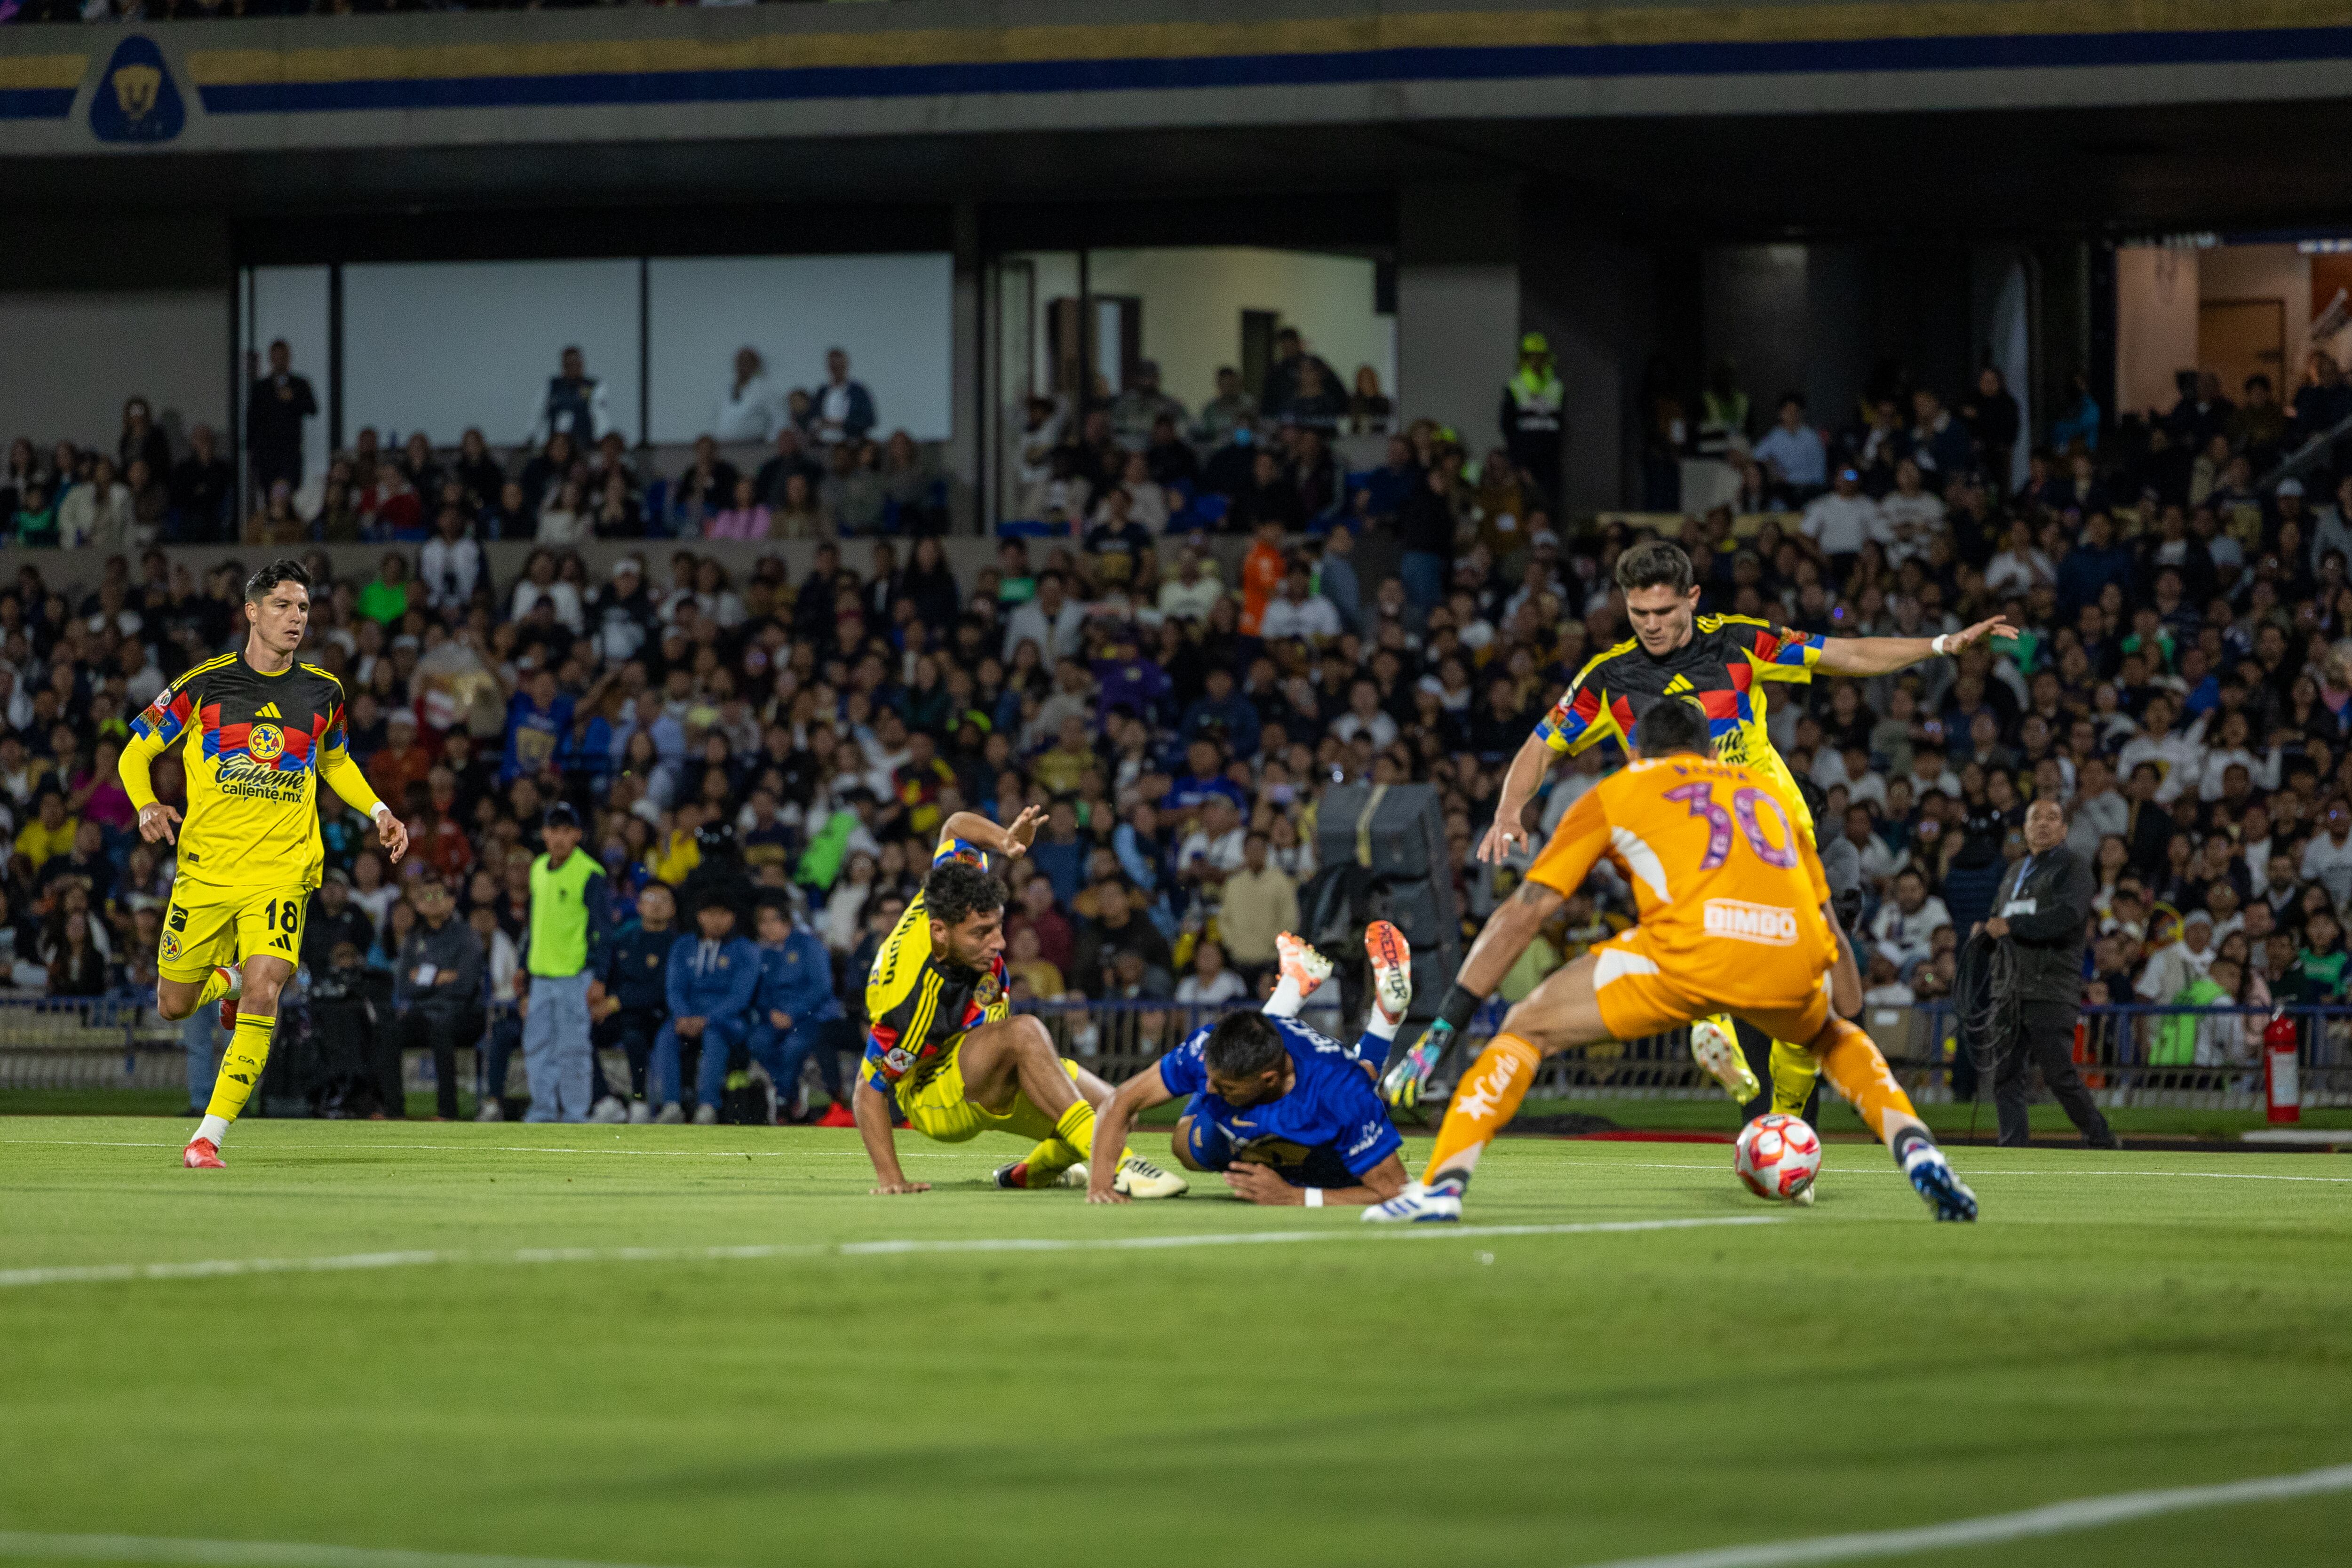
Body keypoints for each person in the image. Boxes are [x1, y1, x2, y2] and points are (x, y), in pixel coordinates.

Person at [1398, 538, 2012, 1125]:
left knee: (1814, 992)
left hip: (1783, 843)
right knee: (1740, 964)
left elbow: (1844, 654)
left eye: (1665, 610)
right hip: (1700, 858)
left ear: (1693, 597)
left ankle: (1769, 1090)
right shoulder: (1608, 678)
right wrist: (1509, 809)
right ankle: (1731, 1049)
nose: (1652, 624)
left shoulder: (1742, 644)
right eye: (1639, 612)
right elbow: (1540, 745)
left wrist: (1940, 644)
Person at [1366, 700, 1977, 1224]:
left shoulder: (1622, 788)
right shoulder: (1768, 797)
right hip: (1788, 950)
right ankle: (1919, 1150)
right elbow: (1835, 942)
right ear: (1711, 751)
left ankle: (1442, 1186)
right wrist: (1843, 1017)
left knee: (1526, 1027)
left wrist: (1444, 1027)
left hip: (1691, 947)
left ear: (1637, 749)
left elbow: (1522, 915)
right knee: (1831, 1037)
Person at [121, 559, 410, 1168]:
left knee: (266, 991)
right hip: (205, 872)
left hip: (283, 870)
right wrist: (147, 804)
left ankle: (209, 1136)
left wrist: (380, 809)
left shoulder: (323, 692)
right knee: (172, 1005)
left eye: (304, 608)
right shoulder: (204, 684)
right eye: (282, 605)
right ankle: (222, 980)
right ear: (252, 611)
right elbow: (134, 752)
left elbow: (335, 763)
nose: (296, 618)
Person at [855, 807, 1185, 1197]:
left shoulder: (954, 889)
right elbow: (867, 1089)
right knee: (1024, 1031)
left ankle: (1032, 1173)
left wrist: (1004, 841)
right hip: (937, 1094)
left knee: (1116, 1111)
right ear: (940, 933)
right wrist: (891, 1178)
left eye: (998, 925)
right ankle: (1119, 1166)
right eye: (982, 933)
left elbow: (955, 826)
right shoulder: (908, 997)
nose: (1000, 943)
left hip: (991, 1054)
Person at [1086, 926, 1415, 1207]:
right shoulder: (1206, 1048)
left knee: (1363, 1082)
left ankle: (1382, 1023)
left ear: (1269, 1079)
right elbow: (1121, 1100)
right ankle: (1294, 986)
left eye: (1225, 1086)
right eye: (1211, 1079)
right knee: (1183, 1145)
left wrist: (1296, 1197)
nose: (1210, 1090)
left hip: (1324, 1152)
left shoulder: (1339, 1089)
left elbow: (1395, 1190)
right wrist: (1100, 1183)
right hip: (1266, 1108)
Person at [1981, 796, 2118, 1149]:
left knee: (2059, 1073)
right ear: (2025, 830)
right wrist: (1986, 934)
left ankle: (2101, 1136)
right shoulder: (2014, 872)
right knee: (2006, 1074)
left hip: (2050, 985)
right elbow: (2000, 921)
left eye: (2052, 817)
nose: (2043, 823)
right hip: (2008, 988)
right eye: (2035, 818)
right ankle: (2012, 1147)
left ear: (2064, 829)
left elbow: (2067, 918)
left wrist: (2010, 925)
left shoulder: (2074, 867)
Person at [515, 802, 616, 1125]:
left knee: (573, 1050)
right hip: (542, 976)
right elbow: (534, 924)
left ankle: (575, 1114)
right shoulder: (538, 868)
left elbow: (603, 930)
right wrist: (522, 965)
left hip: (576, 976)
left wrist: (600, 977)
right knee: (537, 1047)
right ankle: (543, 1110)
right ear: (544, 834)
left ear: (577, 834)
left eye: (565, 831)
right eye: (553, 830)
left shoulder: (589, 874)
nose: (559, 838)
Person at [648, 898, 760, 1123]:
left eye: (723, 914)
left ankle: (708, 1105)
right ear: (699, 916)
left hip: (729, 1019)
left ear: (733, 917)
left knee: (714, 1035)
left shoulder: (745, 949)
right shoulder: (683, 945)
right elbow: (675, 988)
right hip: (687, 1015)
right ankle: (671, 1104)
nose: (716, 920)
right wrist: (683, 1015)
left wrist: (706, 1019)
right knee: (667, 1036)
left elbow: (740, 997)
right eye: (710, 913)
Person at [388, 879, 487, 1121]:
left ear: (452, 901)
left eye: (438, 895)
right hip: (424, 1012)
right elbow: (404, 986)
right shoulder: (413, 939)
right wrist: (440, 977)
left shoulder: (467, 936)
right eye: (426, 897)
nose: (432, 901)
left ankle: (448, 1112)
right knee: (389, 1031)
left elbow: (464, 985)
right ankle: (394, 1111)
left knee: (441, 1029)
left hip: (463, 1014)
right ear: (419, 906)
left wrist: (422, 978)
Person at [747, 898, 846, 1122]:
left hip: (811, 1016)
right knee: (757, 1041)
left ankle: (783, 1098)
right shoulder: (761, 952)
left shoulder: (809, 946)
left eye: (774, 920)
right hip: (773, 1017)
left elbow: (822, 988)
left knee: (794, 1045)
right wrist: (770, 1012)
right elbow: (758, 992)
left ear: (787, 921)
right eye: (762, 922)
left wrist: (793, 1013)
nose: (768, 927)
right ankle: (790, 1089)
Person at [591, 880, 676, 1119]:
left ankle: (640, 1102)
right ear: (639, 906)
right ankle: (604, 1101)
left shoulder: (676, 945)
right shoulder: (623, 939)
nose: (656, 906)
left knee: (634, 1037)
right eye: (650, 900)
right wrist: (602, 1002)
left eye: (663, 901)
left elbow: (660, 990)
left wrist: (615, 1002)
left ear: (673, 909)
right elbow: (610, 979)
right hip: (620, 1013)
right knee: (581, 1035)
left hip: (655, 1015)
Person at [245, 339, 318, 499]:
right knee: (269, 499)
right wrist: (251, 451)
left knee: (289, 499)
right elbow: (252, 420)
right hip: (267, 455)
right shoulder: (261, 388)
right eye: (276, 358)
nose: (280, 361)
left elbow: (313, 410)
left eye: (283, 357)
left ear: (289, 358)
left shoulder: (300, 384)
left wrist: (294, 399)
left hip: (290, 454)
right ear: (271, 359)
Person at [524, 345, 612, 448]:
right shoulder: (552, 386)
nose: (573, 368)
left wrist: (602, 438)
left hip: (584, 443)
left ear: (581, 364)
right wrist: (532, 436)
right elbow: (538, 412)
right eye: (569, 365)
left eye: (576, 364)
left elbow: (600, 415)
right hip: (556, 445)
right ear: (564, 366)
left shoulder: (593, 387)